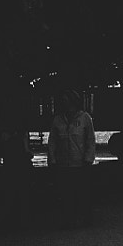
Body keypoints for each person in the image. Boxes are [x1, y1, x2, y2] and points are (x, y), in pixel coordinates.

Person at [47, 91, 97, 227]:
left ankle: (84, 219)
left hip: (79, 163)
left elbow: (90, 140)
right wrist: (51, 159)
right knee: (65, 193)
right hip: (63, 163)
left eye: (67, 101)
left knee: (81, 192)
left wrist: (88, 158)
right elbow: (52, 141)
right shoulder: (58, 120)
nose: (65, 104)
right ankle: (67, 219)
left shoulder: (85, 118)